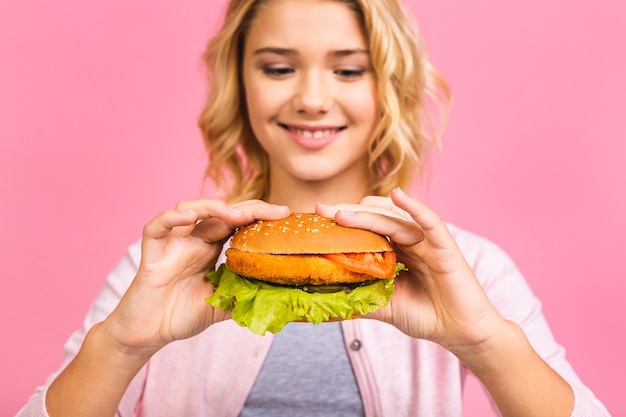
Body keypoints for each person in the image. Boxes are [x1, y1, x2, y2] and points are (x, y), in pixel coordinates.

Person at [18, 0, 610, 416]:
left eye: (348, 69)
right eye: (278, 68)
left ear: (389, 86)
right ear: (240, 83)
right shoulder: (164, 269)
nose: (311, 98)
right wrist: (123, 345)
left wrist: (482, 340)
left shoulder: (468, 268)